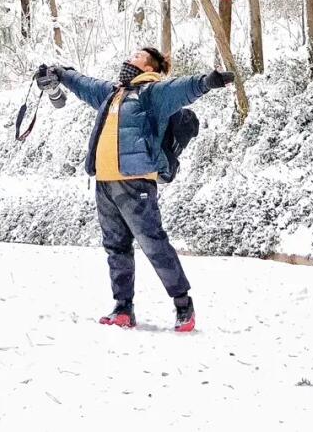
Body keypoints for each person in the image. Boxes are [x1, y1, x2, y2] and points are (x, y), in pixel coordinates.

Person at [36, 47, 234, 333]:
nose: (130, 58)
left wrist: (208, 81)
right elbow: (84, 84)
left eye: (137, 56)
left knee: (153, 243)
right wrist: (61, 74)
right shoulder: (113, 93)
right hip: (104, 182)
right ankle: (123, 308)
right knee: (115, 247)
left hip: (136, 181)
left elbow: (183, 89)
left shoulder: (152, 93)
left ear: (149, 65)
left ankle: (183, 304)